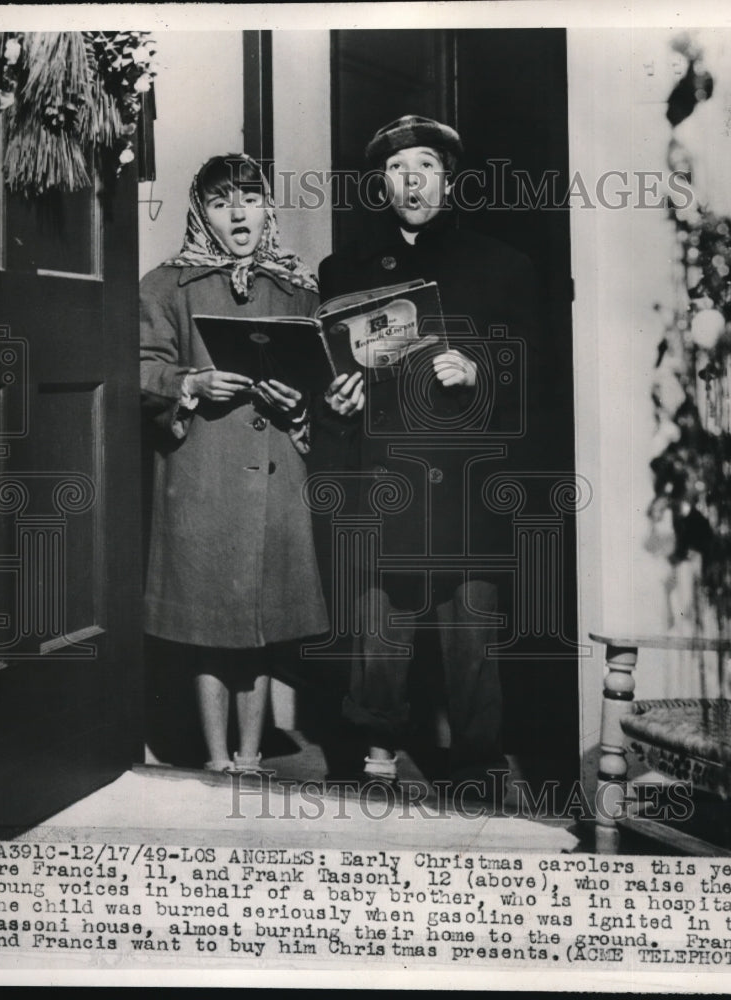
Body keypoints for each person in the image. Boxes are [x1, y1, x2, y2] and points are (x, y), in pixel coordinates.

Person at [312, 115, 543, 800]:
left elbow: (536, 377)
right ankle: (377, 745)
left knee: (472, 626)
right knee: (382, 621)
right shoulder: (342, 270)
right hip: (388, 477)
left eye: (424, 166)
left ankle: (477, 759)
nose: (410, 181)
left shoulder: (505, 267)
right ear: (380, 182)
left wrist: (480, 375)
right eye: (395, 169)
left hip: (467, 480)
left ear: (449, 177)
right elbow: (330, 375)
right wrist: (340, 400)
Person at [140, 153, 328, 774]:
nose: (238, 211)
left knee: (265, 623)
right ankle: (217, 757)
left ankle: (250, 757)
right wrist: (192, 382)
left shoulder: (299, 288)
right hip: (203, 473)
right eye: (222, 202)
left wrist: (299, 399)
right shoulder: (167, 285)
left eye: (249, 197)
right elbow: (138, 368)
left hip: (277, 472)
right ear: (202, 213)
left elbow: (332, 379)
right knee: (208, 620)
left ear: (267, 205)